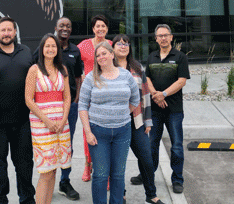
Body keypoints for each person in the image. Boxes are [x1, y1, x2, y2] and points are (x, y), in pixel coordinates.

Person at [0, 17, 36, 204]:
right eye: (2, 30)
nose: (6, 33)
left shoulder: (26, 52)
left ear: (15, 32)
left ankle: (27, 198)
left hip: (22, 121)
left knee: (25, 164)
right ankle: (0, 199)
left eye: (9, 30)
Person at [78, 41, 139, 204]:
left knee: (118, 174)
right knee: (101, 174)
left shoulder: (126, 75)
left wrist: (124, 113)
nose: (101, 57)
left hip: (122, 132)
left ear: (112, 54)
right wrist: (88, 132)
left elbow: (135, 98)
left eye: (104, 53)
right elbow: (83, 106)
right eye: (98, 55)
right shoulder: (91, 77)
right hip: (98, 133)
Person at [112, 34, 165, 204]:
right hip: (116, 122)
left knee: (146, 159)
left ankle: (151, 195)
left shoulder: (137, 67)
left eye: (126, 44)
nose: (123, 46)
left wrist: (147, 120)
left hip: (136, 121)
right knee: (119, 162)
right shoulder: (108, 67)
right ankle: (121, 194)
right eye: (119, 44)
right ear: (112, 47)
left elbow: (145, 95)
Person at [35, 17, 83, 200]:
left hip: (68, 107)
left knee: (66, 145)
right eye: (61, 25)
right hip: (46, 109)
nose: (65, 28)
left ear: (71, 30)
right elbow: (33, 70)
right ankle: (47, 179)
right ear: (55, 28)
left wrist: (76, 99)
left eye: (68, 26)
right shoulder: (45, 48)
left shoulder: (75, 51)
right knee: (47, 147)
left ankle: (64, 181)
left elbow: (78, 77)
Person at [140, 24, 190, 194]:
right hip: (155, 109)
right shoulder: (152, 57)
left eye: (165, 35)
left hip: (174, 110)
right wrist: (156, 94)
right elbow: (147, 78)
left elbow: (182, 81)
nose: (163, 38)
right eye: (159, 35)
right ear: (156, 38)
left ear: (171, 37)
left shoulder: (180, 57)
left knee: (176, 145)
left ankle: (177, 179)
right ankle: (147, 174)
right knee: (151, 144)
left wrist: (164, 94)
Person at [25, 34, 72, 204]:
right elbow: (28, 100)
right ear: (42, 49)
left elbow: (67, 97)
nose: (51, 49)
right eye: (47, 46)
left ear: (58, 49)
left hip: (61, 124)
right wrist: (47, 121)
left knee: (54, 170)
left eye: (54, 46)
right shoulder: (34, 70)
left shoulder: (63, 69)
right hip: (42, 125)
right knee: (45, 171)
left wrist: (63, 120)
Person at [76, 15, 111, 182]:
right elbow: (73, 61)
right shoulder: (84, 45)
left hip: (108, 93)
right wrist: (80, 76)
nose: (100, 29)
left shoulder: (111, 46)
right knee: (87, 130)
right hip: (89, 93)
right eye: (98, 26)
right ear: (93, 29)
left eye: (103, 26)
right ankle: (87, 164)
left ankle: (106, 169)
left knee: (105, 131)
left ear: (107, 29)